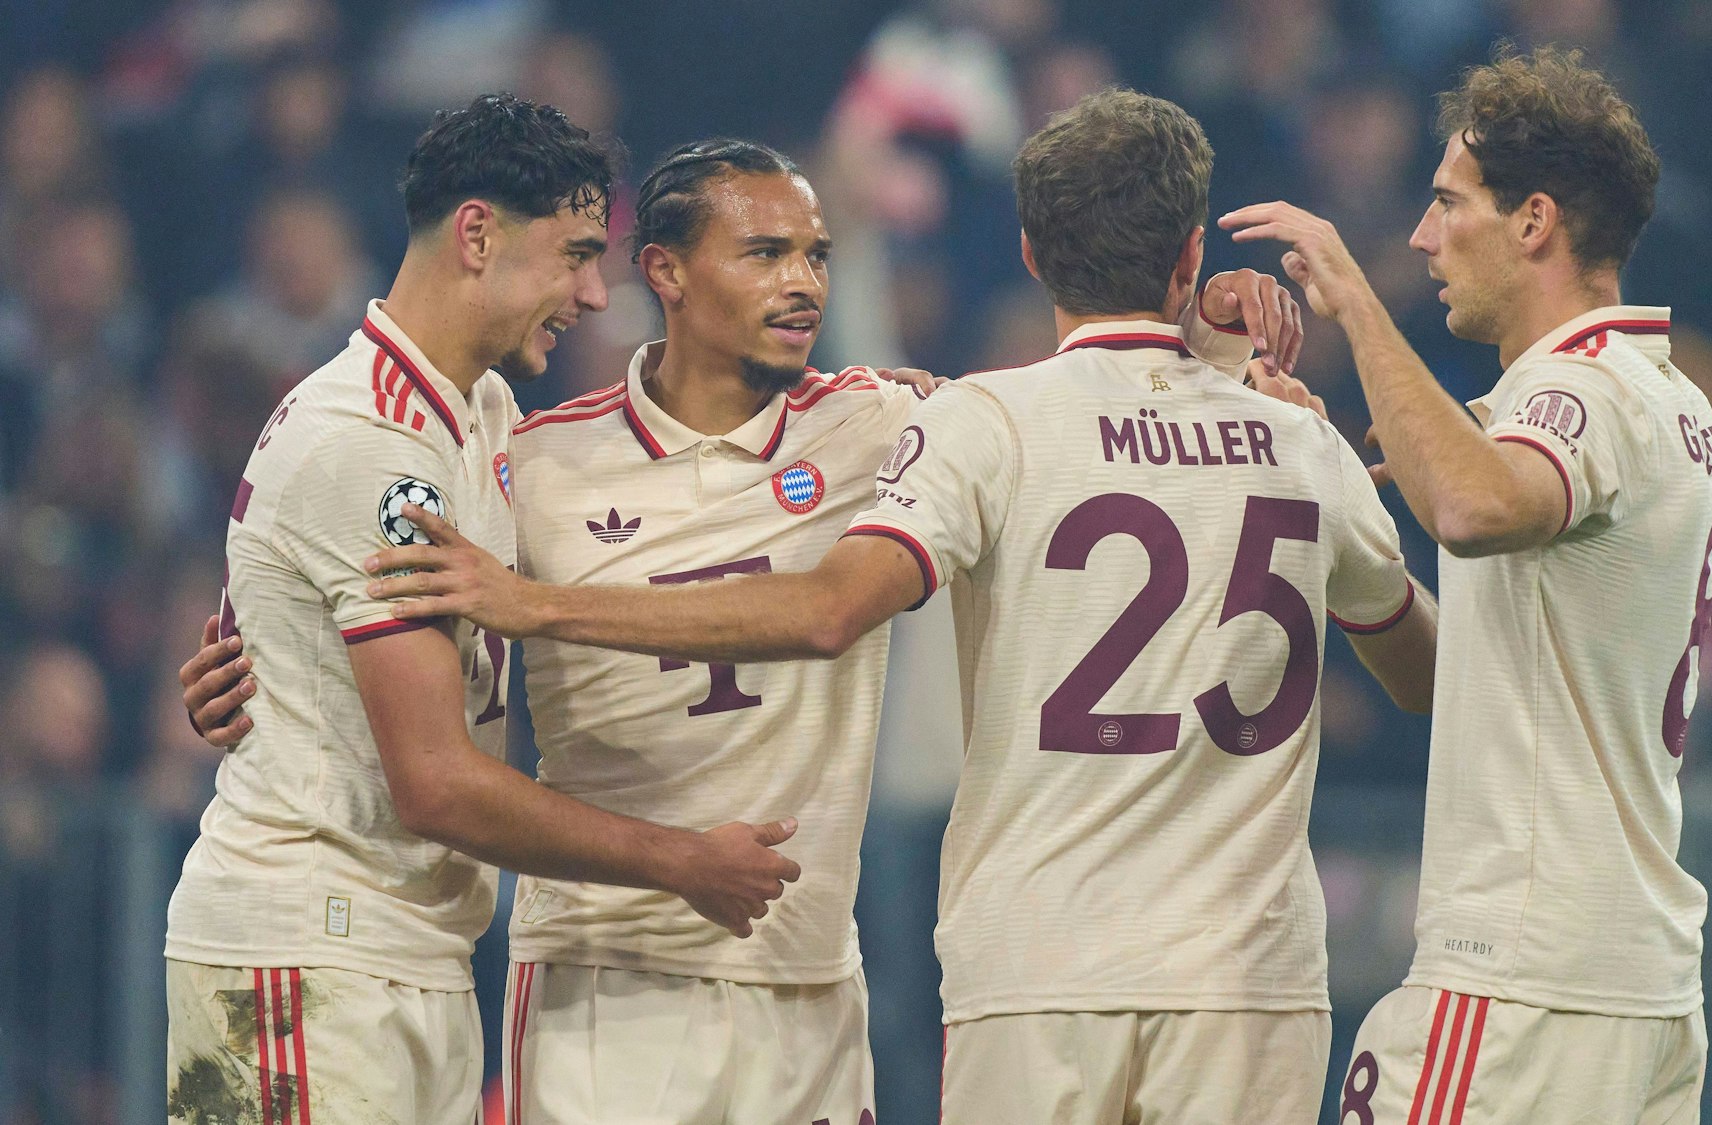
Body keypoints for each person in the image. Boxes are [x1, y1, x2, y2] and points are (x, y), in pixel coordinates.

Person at [361, 88, 1438, 1123]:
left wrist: (1195, 338)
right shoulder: (530, 460)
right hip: (610, 967)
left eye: (818, 255)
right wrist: (258, 666)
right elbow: (415, 639)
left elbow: (1084, 417)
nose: (803, 284)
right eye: (766, 253)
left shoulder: (892, 424)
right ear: (666, 272)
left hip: (815, 976)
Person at [162, 96, 801, 1125]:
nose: (595, 295)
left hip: (401, 952)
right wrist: (677, 861)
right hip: (306, 954)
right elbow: (438, 787)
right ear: (476, 235)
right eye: (575, 255)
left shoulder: (477, 408)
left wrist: (862, 409)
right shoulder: (368, 439)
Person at [1220, 44, 1712, 1123]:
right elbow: (1448, 675)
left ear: (1533, 221)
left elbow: (1473, 507)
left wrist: (1356, 305)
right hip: (1629, 983)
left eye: (1446, 203)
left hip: (1515, 977)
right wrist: (1347, 513)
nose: (1420, 238)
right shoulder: (1663, 398)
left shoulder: (1573, 389)